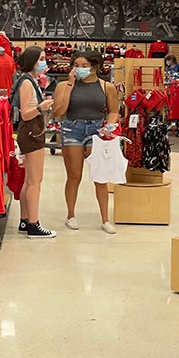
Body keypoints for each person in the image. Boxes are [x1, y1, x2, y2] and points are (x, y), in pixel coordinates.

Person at [53, 50, 121, 233]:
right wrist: (69, 84)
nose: (79, 69)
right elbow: (58, 112)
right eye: (76, 66)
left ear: (95, 67)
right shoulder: (63, 85)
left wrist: (110, 125)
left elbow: (113, 110)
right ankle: (71, 215)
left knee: (100, 176)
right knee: (74, 175)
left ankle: (105, 219)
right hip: (71, 129)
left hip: (97, 130)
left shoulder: (107, 87)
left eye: (84, 66)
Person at [12, 47, 56, 238]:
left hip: (31, 132)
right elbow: (25, 113)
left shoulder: (31, 81)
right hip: (31, 133)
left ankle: (25, 220)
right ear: (32, 61)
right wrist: (41, 107)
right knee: (35, 181)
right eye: (41, 59)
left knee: (30, 180)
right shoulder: (27, 83)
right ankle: (33, 224)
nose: (44, 63)